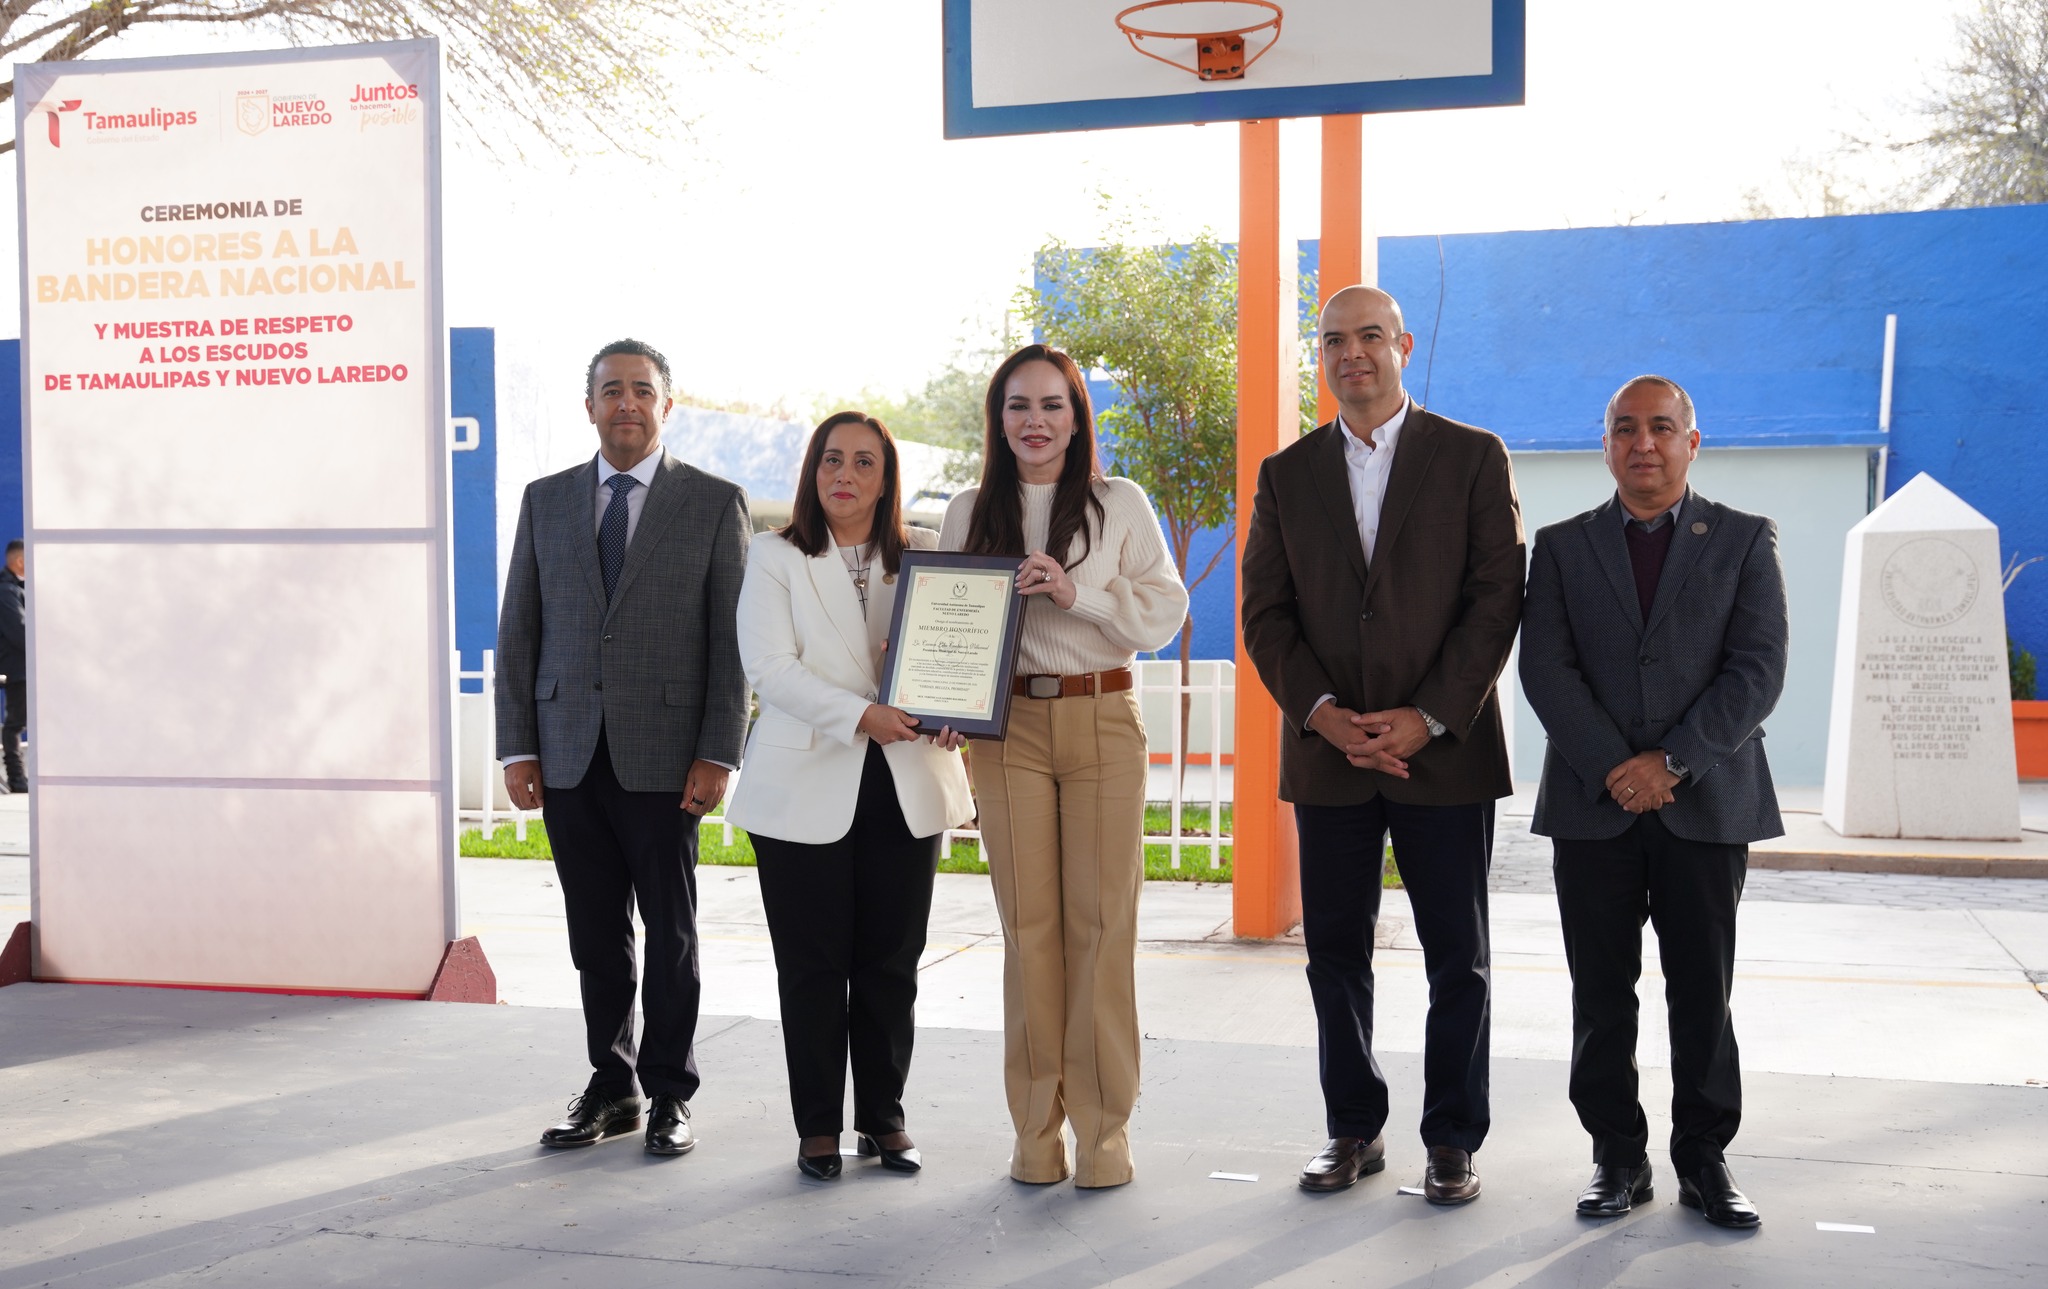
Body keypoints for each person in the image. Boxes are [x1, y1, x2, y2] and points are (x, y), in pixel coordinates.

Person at [1241, 285, 1524, 1205]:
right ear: (1318, 355)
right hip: (1330, 755)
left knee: (1458, 956)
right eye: (1333, 340)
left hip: (1445, 751)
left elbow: (1497, 599)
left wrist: (1429, 713)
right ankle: (1353, 1128)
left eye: (1369, 336)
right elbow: (1266, 615)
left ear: (1402, 344)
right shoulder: (1286, 474)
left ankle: (1452, 1138)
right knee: (1335, 952)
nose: (1351, 353)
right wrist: (1323, 715)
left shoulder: (1473, 457)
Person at [1519, 375, 1787, 1229]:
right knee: (1602, 991)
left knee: (1702, 990)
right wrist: (1617, 767)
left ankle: (1704, 1159)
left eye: (1661, 428)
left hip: (1706, 804)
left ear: (1692, 442)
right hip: (1595, 807)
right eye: (1626, 429)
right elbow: (1545, 671)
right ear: (1605, 444)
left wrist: (1670, 762)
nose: (1644, 443)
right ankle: (1617, 1157)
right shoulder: (1560, 548)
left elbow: (1758, 670)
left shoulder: (1744, 540)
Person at [939, 344, 1187, 1189]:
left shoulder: (1120, 503)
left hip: (1102, 716)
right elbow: (949, 624)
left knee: (1101, 928)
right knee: (1028, 932)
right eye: (1017, 405)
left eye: (1052, 405)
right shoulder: (971, 507)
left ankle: (1104, 1136)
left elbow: (1163, 612)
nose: (1034, 421)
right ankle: (1034, 1134)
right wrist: (945, 697)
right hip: (1005, 730)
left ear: (1077, 417)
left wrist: (1076, 592)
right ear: (997, 419)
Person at [495, 338, 750, 1157]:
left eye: (643, 390)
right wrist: (516, 748)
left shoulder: (713, 503)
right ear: (590, 405)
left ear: (666, 405)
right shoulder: (545, 500)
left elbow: (729, 641)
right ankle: (612, 1086)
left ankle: (671, 1092)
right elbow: (519, 630)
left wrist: (719, 750)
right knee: (594, 933)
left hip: (667, 756)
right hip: (568, 750)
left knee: (669, 931)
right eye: (612, 391)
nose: (627, 404)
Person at [726, 411, 975, 1180]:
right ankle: (816, 1127)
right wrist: (862, 713)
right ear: (813, 470)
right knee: (812, 965)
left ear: (885, 478)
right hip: (804, 781)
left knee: (892, 962)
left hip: (904, 782)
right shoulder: (773, 555)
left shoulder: (927, 558)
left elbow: (956, 655)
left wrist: (954, 707)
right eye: (833, 459)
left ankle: (883, 1118)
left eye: (865, 462)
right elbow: (768, 666)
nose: (846, 474)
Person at [0, 540, 24, 794]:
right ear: (19, 561)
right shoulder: (7, 590)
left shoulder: (14, 588)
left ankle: (17, 777)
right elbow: (20, 631)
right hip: (16, 667)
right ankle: (17, 778)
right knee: (16, 722)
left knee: (18, 721)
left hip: (18, 666)